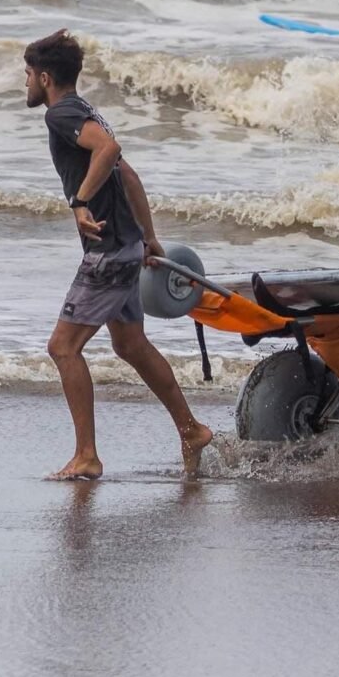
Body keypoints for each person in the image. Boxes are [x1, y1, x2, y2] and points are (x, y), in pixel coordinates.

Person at [24, 29, 212, 481]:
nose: (25, 83)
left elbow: (107, 153)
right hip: (125, 246)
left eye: (28, 75)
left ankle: (86, 455)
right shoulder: (87, 110)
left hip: (107, 252)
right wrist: (147, 236)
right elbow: (126, 171)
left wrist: (80, 201)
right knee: (129, 344)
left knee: (63, 347)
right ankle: (192, 429)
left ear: (45, 77)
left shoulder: (62, 114)